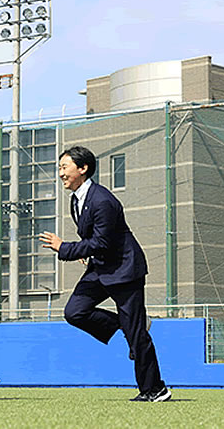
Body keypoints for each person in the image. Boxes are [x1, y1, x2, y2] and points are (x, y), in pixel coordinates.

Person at [39, 146, 170, 402]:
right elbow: (95, 240)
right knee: (75, 312)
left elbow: (103, 241)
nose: (60, 174)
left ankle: (154, 389)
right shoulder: (76, 199)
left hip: (124, 270)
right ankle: (127, 324)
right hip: (99, 268)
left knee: (136, 336)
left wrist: (65, 248)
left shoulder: (102, 200)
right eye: (59, 168)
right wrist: (82, 251)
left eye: (64, 167)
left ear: (83, 168)